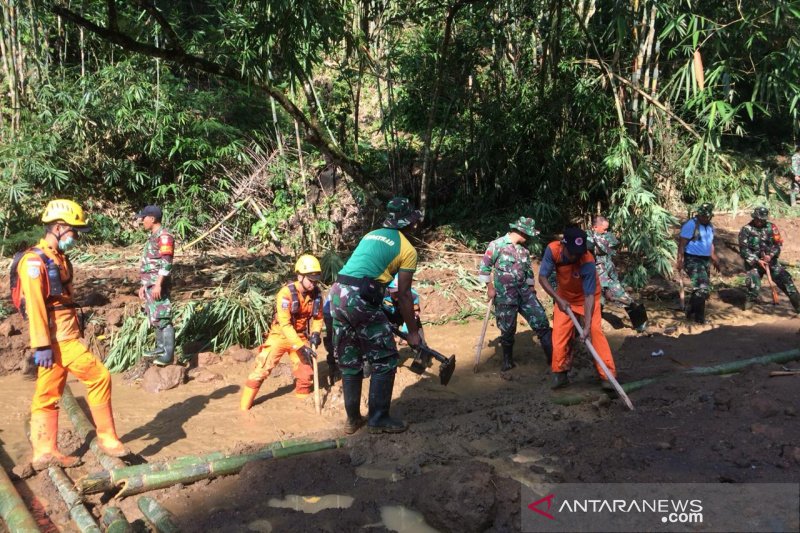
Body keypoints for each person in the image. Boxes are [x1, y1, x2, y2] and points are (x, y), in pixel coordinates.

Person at [17, 200, 128, 469]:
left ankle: (44, 451)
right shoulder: (34, 262)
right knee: (99, 376)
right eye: (73, 231)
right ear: (59, 227)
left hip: (63, 334)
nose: (75, 237)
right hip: (58, 340)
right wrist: (41, 345)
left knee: (47, 393)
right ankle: (107, 438)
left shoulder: (58, 257)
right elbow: (34, 304)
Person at [329, 197, 422, 435]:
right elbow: (403, 295)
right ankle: (378, 418)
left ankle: (352, 420)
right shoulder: (407, 249)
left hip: (338, 293)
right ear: (409, 223)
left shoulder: (370, 235)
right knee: (386, 358)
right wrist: (413, 333)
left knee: (350, 358)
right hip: (361, 297)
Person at [538, 226, 618, 390]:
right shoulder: (553, 250)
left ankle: (607, 376)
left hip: (587, 297)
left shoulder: (587, 260)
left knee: (595, 332)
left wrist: (586, 326)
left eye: (578, 253)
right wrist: (558, 299)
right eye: (572, 252)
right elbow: (542, 277)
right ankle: (560, 374)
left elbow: (589, 296)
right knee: (559, 334)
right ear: (563, 245)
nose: (575, 256)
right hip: (564, 297)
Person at [240, 254, 324, 410]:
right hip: (280, 335)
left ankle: (302, 407)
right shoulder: (285, 294)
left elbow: (318, 318)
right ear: (300, 276)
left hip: (299, 335)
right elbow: (285, 324)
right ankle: (244, 409)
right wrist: (301, 346)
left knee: (306, 374)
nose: (314, 284)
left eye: (316, 280)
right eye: (311, 280)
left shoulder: (317, 295)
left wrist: (316, 333)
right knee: (261, 370)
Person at [477, 216, 552, 371]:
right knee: (507, 329)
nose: (529, 237)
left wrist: (531, 288)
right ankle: (507, 361)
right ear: (521, 232)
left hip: (525, 294)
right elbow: (484, 268)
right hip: (505, 296)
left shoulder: (523, 251)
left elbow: (529, 272)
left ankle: (553, 360)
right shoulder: (496, 245)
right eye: (528, 234)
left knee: (541, 320)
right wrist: (490, 287)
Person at [586, 216, 648, 332]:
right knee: (598, 301)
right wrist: (605, 287)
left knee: (623, 297)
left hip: (610, 273)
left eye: (607, 229)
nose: (606, 231)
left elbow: (613, 247)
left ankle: (640, 324)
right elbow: (592, 256)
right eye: (604, 229)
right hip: (596, 275)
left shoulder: (607, 235)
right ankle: (593, 326)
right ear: (595, 227)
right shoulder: (587, 237)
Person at [738, 207, 800, 312]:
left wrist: (770, 255)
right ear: (754, 218)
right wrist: (758, 260)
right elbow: (744, 250)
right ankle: (747, 312)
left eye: (763, 220)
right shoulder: (746, 230)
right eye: (759, 219)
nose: (761, 221)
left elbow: (777, 245)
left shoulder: (772, 227)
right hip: (754, 264)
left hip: (771, 262)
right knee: (753, 287)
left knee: (787, 282)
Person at [136, 205, 177, 366]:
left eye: (143, 218)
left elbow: (166, 263)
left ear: (152, 219)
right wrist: (143, 286)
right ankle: (160, 348)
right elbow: (149, 263)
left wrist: (158, 284)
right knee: (155, 316)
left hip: (158, 284)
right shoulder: (153, 236)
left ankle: (168, 353)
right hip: (150, 284)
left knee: (163, 317)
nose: (141, 221)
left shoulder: (164, 236)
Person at [676, 203, 720, 324]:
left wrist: (714, 258)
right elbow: (682, 244)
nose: (704, 218)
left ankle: (690, 311)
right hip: (692, 259)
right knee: (703, 288)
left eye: (707, 216)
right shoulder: (691, 225)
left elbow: (709, 243)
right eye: (702, 216)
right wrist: (679, 260)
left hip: (705, 260)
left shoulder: (710, 226)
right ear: (698, 214)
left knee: (701, 289)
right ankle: (699, 318)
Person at [382, 273, 422, 338]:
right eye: (394, 292)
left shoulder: (413, 296)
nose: (396, 294)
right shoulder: (381, 294)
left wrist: (406, 332)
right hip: (390, 317)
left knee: (418, 341)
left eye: (399, 291)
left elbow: (414, 314)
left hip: (408, 316)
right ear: (388, 289)